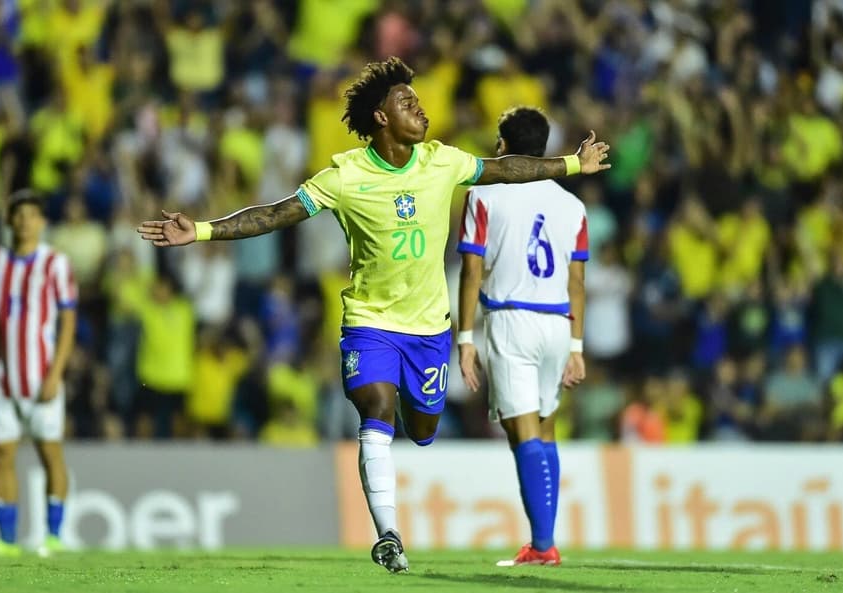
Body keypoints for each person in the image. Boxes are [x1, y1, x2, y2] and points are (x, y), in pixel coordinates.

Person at [137, 58, 609, 572]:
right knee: (375, 408)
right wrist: (202, 230)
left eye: (419, 100)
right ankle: (388, 535)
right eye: (407, 102)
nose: (420, 109)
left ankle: (413, 426)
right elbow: (274, 214)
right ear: (382, 118)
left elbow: (507, 168)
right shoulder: (344, 176)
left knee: (422, 427)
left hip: (429, 330)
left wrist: (571, 165)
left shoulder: (441, 161)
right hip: (370, 322)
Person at [456, 106, 589, 567]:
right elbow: (577, 282)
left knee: (522, 431)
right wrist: (577, 347)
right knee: (545, 429)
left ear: (502, 147)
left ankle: (543, 546)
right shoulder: (573, 206)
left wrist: (465, 338)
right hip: (558, 325)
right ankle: (543, 541)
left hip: (511, 321)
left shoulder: (484, 196)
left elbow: (472, 269)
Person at [0, 191, 77, 556]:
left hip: (41, 373)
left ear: (42, 222)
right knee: (1, 454)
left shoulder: (55, 264)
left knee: (50, 454)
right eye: (19, 215)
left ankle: (54, 537)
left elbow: (68, 320)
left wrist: (56, 372)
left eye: (32, 215)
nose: (25, 221)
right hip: (0, 375)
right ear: (10, 220)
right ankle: (6, 542)